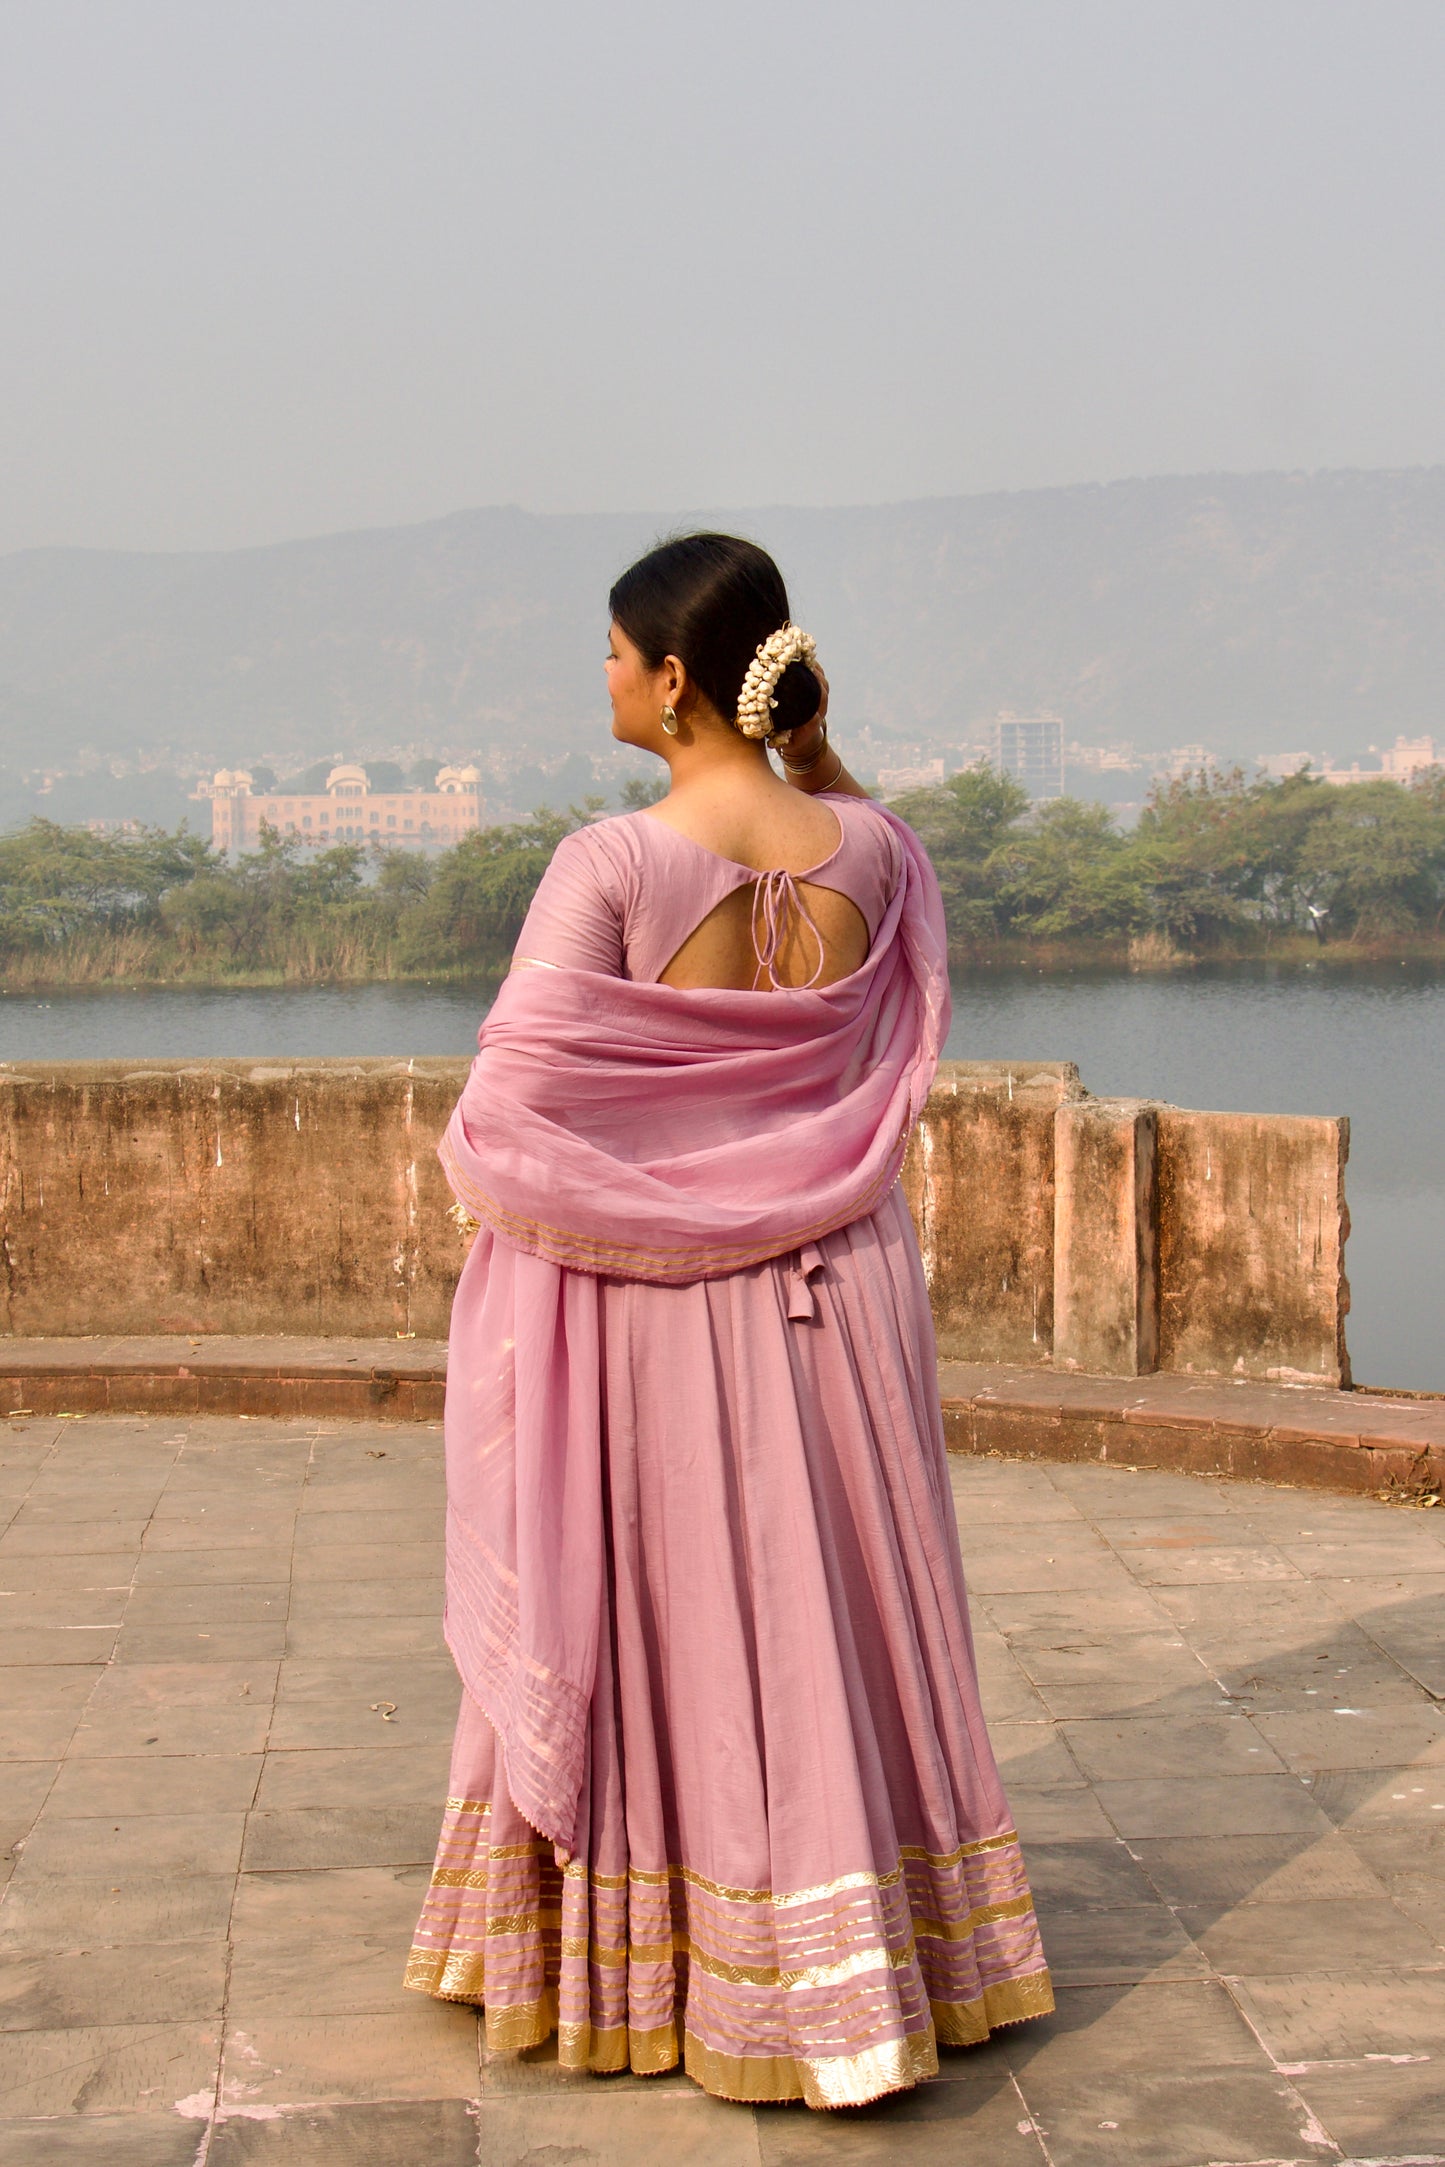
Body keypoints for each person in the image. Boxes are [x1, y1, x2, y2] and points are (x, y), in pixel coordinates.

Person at [407, 533, 1052, 2109]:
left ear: (676, 676)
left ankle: (666, 1970)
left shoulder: (612, 865)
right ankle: (881, 1952)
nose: (605, 679)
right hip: (842, 1284)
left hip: (664, 1310)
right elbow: (861, 1046)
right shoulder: (876, 852)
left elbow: (511, 1113)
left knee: (672, 1609)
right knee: (832, 1600)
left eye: (615, 655)